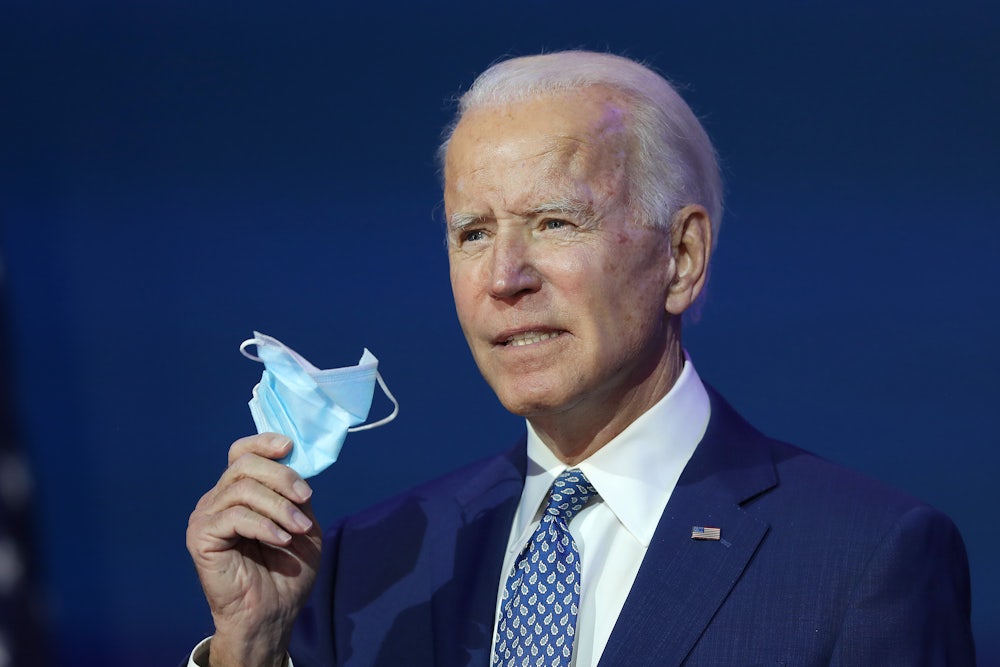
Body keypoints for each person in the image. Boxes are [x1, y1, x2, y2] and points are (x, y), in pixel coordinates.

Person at [185, 51, 975, 666]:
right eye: (473, 233)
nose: (504, 278)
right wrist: (250, 648)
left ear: (682, 257)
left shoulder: (863, 559)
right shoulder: (369, 565)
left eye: (555, 223)